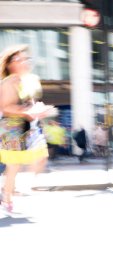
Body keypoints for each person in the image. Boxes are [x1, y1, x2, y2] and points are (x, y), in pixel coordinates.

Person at [0, 45, 49, 212]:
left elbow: (30, 104)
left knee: (41, 155)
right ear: (9, 64)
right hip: (10, 127)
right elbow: (6, 108)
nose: (23, 62)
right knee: (13, 164)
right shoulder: (7, 83)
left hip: (27, 125)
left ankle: (13, 189)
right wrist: (28, 111)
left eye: (25, 59)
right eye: (18, 59)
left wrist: (38, 109)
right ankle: (6, 195)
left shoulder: (28, 80)